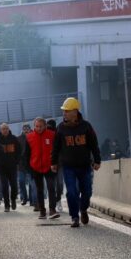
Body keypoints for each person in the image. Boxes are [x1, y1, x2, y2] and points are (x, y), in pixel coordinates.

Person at [52, 97, 102, 228]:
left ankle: (83, 209)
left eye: (67, 111)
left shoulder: (86, 126)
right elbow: (55, 147)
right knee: (71, 192)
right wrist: (54, 163)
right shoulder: (60, 128)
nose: (64, 113)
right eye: (64, 111)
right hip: (68, 167)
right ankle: (74, 217)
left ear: (75, 112)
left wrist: (97, 160)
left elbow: (94, 145)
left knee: (87, 192)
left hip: (85, 166)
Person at [25, 117, 59, 220]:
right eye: (36, 126)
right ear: (34, 126)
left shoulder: (52, 135)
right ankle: (42, 211)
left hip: (49, 166)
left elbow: (56, 150)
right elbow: (27, 154)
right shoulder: (29, 137)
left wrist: (56, 163)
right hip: (35, 166)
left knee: (51, 187)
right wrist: (29, 168)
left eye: (40, 126)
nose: (38, 128)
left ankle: (52, 210)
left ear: (45, 126)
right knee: (39, 189)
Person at [0, 123, 20, 212]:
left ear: (9, 129)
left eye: (6, 128)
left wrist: (17, 162)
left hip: (12, 166)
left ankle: (13, 199)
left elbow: (19, 151)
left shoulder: (14, 139)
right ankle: (6, 204)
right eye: (3, 129)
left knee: (14, 185)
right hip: (2, 167)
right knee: (4, 186)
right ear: (0, 130)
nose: (5, 130)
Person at [17, 123, 37, 207]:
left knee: (31, 183)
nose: (26, 130)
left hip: (31, 163)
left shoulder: (33, 137)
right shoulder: (18, 138)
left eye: (27, 128)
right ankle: (24, 198)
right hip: (21, 164)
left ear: (30, 128)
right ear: (22, 129)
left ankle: (32, 200)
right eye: (24, 128)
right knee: (21, 182)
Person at [48, 118, 64, 214]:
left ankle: (57, 200)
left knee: (60, 184)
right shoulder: (46, 135)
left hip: (60, 163)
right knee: (52, 185)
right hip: (50, 164)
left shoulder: (59, 134)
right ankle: (53, 203)